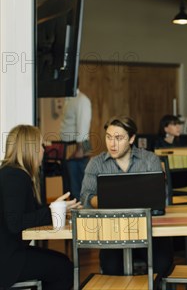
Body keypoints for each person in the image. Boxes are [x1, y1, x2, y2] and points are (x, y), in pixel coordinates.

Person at [80, 116, 173, 280]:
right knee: (111, 268)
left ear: (131, 138)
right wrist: (109, 201)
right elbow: (86, 197)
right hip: (113, 235)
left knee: (163, 264)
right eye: (108, 137)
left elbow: (161, 198)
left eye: (118, 138)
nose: (112, 144)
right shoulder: (96, 163)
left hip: (148, 232)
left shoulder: (149, 159)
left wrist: (118, 200)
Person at [0, 125, 80, 290]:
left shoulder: (10, 174)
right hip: (8, 261)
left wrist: (56, 208)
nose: (44, 150)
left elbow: (31, 213)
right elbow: (15, 223)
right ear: (31, 149)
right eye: (41, 146)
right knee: (63, 268)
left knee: (61, 264)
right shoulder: (16, 177)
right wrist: (53, 211)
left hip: (8, 255)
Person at [60, 87, 92, 201]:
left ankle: (81, 217)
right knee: (69, 189)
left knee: (77, 190)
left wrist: (81, 150)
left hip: (78, 148)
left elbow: (83, 128)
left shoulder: (82, 99)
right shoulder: (68, 99)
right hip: (68, 147)